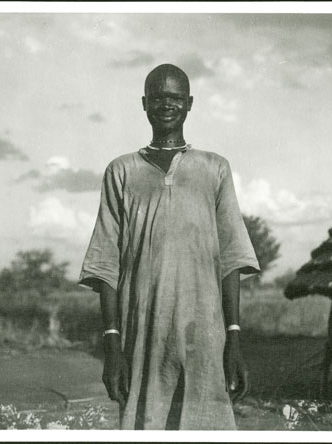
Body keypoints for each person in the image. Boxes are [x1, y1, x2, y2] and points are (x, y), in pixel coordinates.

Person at [79, 64, 260, 430]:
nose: (166, 104)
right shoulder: (122, 171)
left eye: (175, 97)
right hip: (142, 335)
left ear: (189, 103)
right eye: (158, 97)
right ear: (144, 103)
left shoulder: (215, 169)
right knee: (143, 426)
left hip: (205, 336)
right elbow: (105, 264)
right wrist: (112, 347)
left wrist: (234, 340)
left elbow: (231, 261)